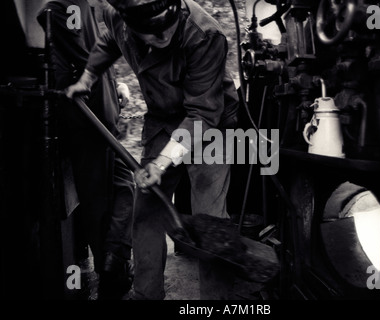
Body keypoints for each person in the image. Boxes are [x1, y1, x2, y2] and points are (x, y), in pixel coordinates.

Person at [66, 0, 240, 300]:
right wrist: (88, 77)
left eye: (168, 26)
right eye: (151, 32)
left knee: (210, 219)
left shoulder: (206, 34)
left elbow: (202, 114)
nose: (163, 37)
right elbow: (109, 41)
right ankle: (146, 293)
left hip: (209, 123)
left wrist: (160, 164)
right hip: (162, 121)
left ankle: (217, 300)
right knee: (146, 210)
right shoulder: (116, 15)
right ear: (128, 21)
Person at [37, 0, 135, 300]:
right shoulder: (63, 6)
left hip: (103, 111)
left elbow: (94, 52)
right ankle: (111, 271)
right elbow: (84, 56)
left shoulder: (81, 5)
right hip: (86, 115)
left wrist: (115, 83)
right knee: (98, 199)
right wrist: (101, 80)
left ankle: (115, 259)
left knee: (124, 185)